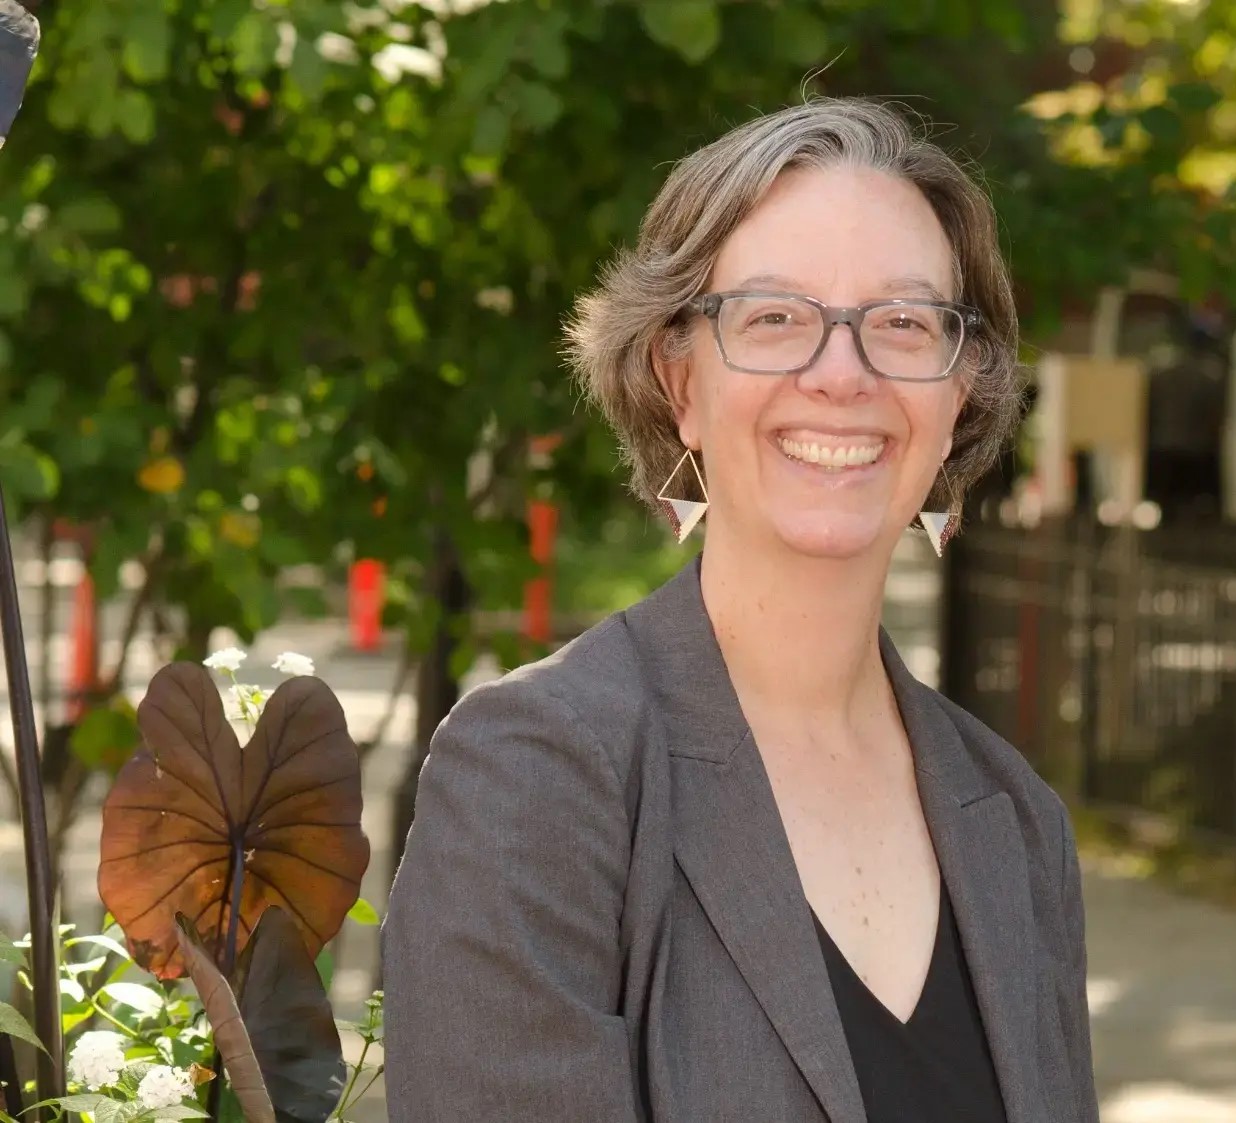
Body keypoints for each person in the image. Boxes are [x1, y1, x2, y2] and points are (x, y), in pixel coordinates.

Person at [381, 97, 1098, 1123]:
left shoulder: (1016, 821)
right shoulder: (539, 776)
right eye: (773, 319)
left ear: (959, 392)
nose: (841, 374)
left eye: (902, 323)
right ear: (678, 382)